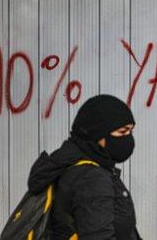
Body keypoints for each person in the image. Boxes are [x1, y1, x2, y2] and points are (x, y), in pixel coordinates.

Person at [27, 94, 142, 239]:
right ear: (97, 134)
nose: (128, 138)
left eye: (131, 131)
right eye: (122, 132)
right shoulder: (91, 179)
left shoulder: (69, 163)